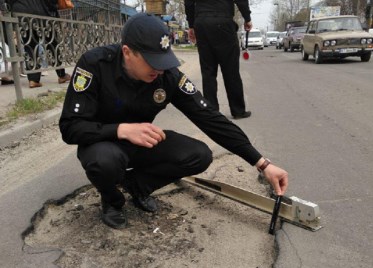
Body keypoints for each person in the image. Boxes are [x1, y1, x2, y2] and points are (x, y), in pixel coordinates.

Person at [59, 13, 288, 230]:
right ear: (128, 52)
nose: (159, 69)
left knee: (199, 155)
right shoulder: (95, 65)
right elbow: (70, 127)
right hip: (103, 142)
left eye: (163, 60)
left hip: (143, 143)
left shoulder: (167, 75)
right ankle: (112, 200)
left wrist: (262, 163)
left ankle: (136, 187)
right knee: (104, 162)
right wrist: (120, 130)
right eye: (152, 61)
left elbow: (210, 118)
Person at [185, 0, 253, 119]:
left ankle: (211, 112)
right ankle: (238, 110)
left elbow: (189, 3)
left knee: (208, 71)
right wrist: (247, 18)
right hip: (223, 21)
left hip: (202, 23)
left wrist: (191, 25)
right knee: (231, 70)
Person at [7, 0, 71, 88]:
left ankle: (33, 79)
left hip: (22, 13)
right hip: (43, 13)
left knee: (30, 46)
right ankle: (62, 75)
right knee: (52, 44)